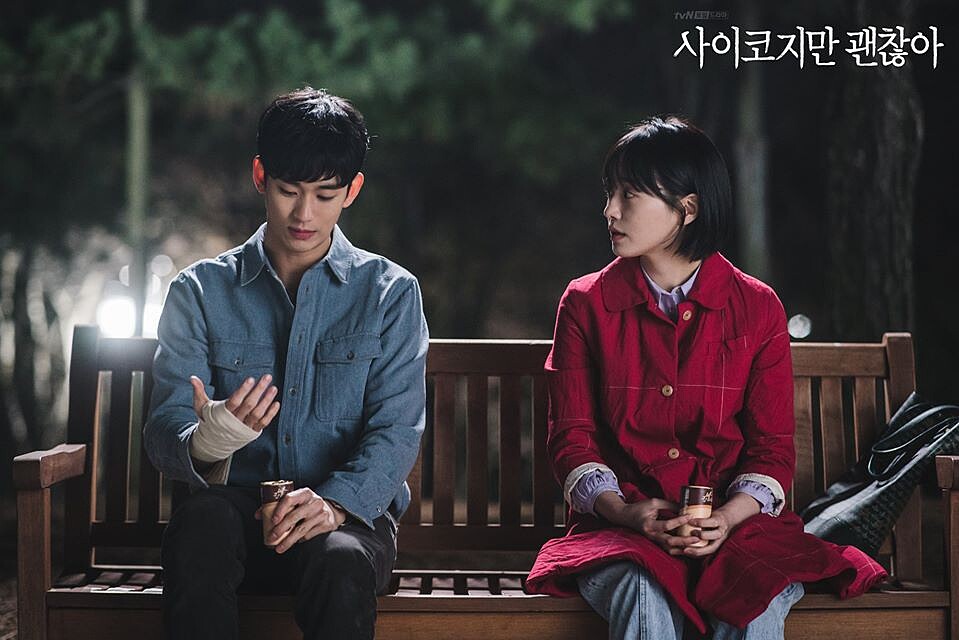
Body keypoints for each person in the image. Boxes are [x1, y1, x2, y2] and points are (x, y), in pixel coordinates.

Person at [525, 117, 886, 639]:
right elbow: (572, 438)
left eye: (629, 194)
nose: (610, 210)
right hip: (621, 530)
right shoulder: (585, 303)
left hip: (739, 530)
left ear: (688, 208)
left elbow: (771, 449)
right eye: (610, 193)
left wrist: (729, 517)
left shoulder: (756, 306)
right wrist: (626, 512)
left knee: (753, 600)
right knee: (641, 591)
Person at [144, 87, 429, 640]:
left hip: (344, 520)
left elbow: (396, 430)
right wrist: (209, 439)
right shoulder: (199, 291)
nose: (304, 214)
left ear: (352, 191)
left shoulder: (390, 293)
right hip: (232, 515)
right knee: (199, 525)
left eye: (325, 194)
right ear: (260, 176)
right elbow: (163, 431)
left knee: (340, 558)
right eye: (288, 190)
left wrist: (335, 504)